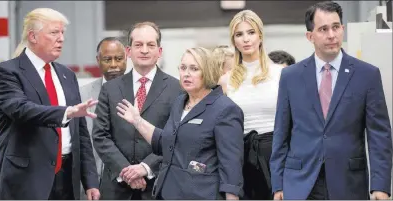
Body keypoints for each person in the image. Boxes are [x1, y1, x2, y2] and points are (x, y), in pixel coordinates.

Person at [270, 1, 392, 200]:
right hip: (300, 183)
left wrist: (380, 185)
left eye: (336, 27)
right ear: (310, 36)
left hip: (348, 183)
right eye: (323, 29)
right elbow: (281, 133)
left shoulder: (367, 74)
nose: (331, 35)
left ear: (343, 29)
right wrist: (277, 184)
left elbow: (379, 135)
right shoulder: (290, 76)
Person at [0, 8, 100, 200]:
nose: (61, 38)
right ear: (33, 36)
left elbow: (80, 134)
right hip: (25, 180)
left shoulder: (67, 75)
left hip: (66, 179)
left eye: (63, 33)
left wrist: (90, 181)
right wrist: (66, 113)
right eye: (54, 32)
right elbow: (21, 109)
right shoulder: (7, 72)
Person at [117, 47, 244, 200]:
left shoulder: (225, 109)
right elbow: (167, 142)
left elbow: (231, 166)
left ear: (208, 71)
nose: (186, 74)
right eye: (183, 68)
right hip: (169, 192)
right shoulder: (179, 102)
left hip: (202, 195)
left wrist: (232, 197)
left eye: (194, 69)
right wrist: (137, 121)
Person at [92, 21, 183, 200]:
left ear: (160, 51)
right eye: (138, 45)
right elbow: (100, 135)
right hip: (116, 187)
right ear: (128, 51)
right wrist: (126, 171)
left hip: (158, 186)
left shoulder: (177, 89)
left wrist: (145, 168)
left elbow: (175, 136)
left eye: (150, 45)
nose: (144, 50)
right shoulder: (110, 89)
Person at [218, 9, 283, 200]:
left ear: (260, 36)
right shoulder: (225, 81)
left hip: (275, 154)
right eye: (239, 34)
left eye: (251, 32)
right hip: (240, 156)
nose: (246, 39)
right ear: (234, 41)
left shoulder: (281, 74)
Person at [78, 37, 127, 199]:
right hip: (91, 185)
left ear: (126, 57)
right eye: (107, 59)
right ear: (98, 60)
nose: (113, 65)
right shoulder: (82, 95)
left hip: (127, 183)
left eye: (119, 59)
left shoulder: (138, 93)